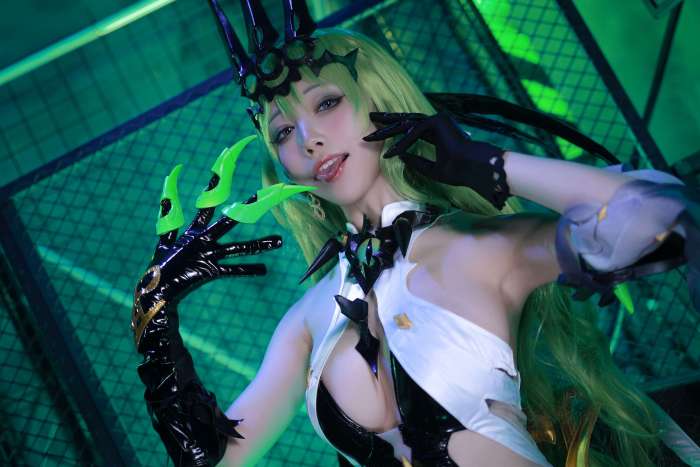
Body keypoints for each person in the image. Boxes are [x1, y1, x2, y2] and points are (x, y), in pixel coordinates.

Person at [131, 1, 700, 466]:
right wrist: (154, 316)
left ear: (379, 99)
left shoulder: (483, 248)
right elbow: (217, 460)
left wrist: (492, 166)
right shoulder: (306, 322)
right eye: (282, 132)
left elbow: (667, 222)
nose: (308, 140)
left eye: (327, 102)